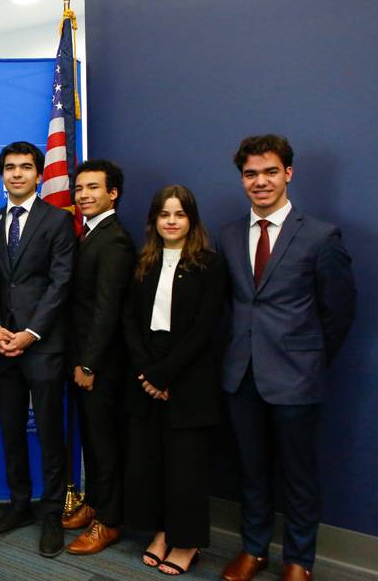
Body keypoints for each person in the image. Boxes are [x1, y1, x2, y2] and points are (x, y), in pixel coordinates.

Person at [217, 135, 355, 581]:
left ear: (288, 174)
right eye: (251, 174)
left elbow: (339, 312)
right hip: (241, 376)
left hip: (297, 378)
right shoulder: (228, 235)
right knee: (251, 471)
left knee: (298, 476)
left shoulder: (319, 235)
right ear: (242, 179)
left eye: (270, 171)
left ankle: (299, 561)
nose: (261, 181)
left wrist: (309, 359)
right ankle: (253, 550)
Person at [122, 185, 226, 575]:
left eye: (179, 214)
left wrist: (164, 374)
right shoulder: (142, 262)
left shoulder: (210, 265)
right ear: (154, 221)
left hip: (189, 377)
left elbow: (205, 327)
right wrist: (147, 372)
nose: (171, 221)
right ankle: (163, 532)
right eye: (164, 214)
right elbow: (128, 320)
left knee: (186, 467)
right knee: (152, 462)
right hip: (146, 374)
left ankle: (188, 542)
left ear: (191, 220)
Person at [0, 141, 76, 558]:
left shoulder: (58, 220)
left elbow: (61, 284)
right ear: (2, 175)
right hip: (1, 344)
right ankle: (20, 504)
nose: (17, 174)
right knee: (11, 428)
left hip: (43, 345)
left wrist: (31, 333)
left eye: (26, 167)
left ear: (39, 175)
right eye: (10, 168)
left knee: (51, 431)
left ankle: (53, 511)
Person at [64, 159, 136, 556]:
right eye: (79, 189)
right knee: (92, 439)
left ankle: (108, 521)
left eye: (93, 188)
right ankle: (94, 502)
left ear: (113, 193)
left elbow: (107, 310)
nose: (84, 195)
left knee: (106, 444)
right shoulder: (89, 233)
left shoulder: (115, 240)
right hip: (82, 359)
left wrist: (89, 363)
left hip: (101, 365)